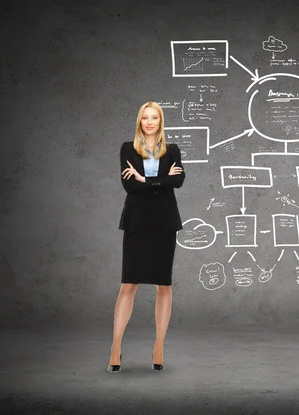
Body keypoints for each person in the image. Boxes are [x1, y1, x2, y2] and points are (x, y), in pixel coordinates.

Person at [108, 101, 185, 372]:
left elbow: (178, 181)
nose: (149, 122)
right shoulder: (128, 148)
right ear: (139, 120)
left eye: (154, 117)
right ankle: (116, 346)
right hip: (137, 222)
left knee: (164, 285)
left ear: (160, 121)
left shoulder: (172, 150)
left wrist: (144, 179)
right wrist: (154, 181)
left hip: (164, 223)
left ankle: (159, 346)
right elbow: (128, 185)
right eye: (145, 117)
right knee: (128, 284)